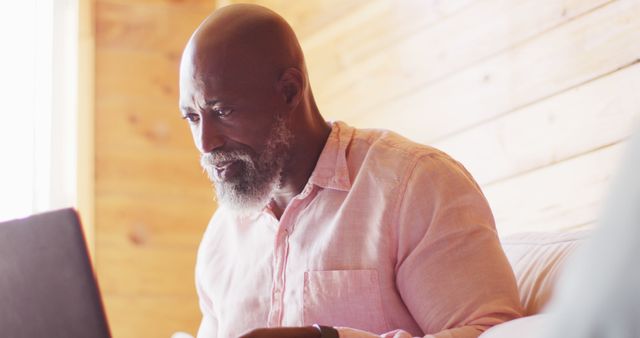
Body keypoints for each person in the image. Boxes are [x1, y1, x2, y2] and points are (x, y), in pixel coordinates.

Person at [178, 4, 522, 338]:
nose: (206, 143)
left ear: (289, 91)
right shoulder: (220, 238)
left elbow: (493, 333)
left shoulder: (414, 186)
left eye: (222, 111)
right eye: (192, 118)